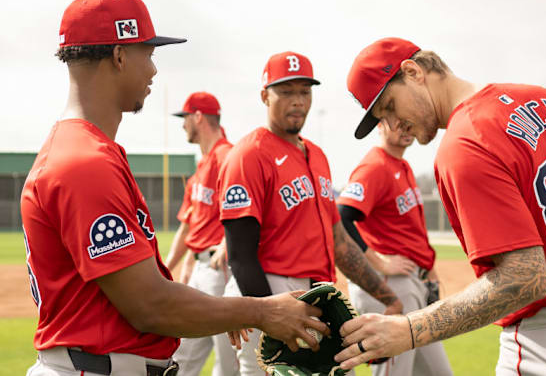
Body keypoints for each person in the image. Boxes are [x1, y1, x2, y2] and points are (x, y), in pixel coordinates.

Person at [334, 37, 546, 375]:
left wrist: (409, 330)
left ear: (413, 72)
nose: (393, 123)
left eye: (390, 106)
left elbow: (524, 279)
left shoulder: (463, 143)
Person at [21, 0, 328, 376]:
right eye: (148, 54)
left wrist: (224, 311)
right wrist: (263, 311)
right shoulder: (84, 162)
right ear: (119, 56)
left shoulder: (84, 150)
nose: (153, 71)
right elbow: (151, 306)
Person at [217, 51, 402, 376]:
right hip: (267, 290)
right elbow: (241, 256)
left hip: (317, 294)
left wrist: (387, 296)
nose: (297, 101)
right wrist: (268, 316)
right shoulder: (248, 155)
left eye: (304, 91)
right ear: (265, 96)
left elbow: (339, 242)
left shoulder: (317, 156)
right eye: (286, 91)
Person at [336, 121, 453, 376]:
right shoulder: (375, 166)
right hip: (391, 285)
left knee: (439, 372)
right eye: (396, 121)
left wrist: (430, 273)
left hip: (412, 281)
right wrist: (379, 262)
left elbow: (411, 232)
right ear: (379, 123)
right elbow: (342, 216)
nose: (406, 127)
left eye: (409, 121)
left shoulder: (402, 165)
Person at [164, 92, 238, 376]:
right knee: (182, 356)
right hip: (199, 269)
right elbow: (187, 225)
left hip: (221, 269)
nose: (183, 125)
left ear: (198, 117)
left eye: (185, 118)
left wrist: (226, 241)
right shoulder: (202, 166)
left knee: (228, 360)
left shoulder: (227, 156)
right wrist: (169, 267)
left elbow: (246, 205)